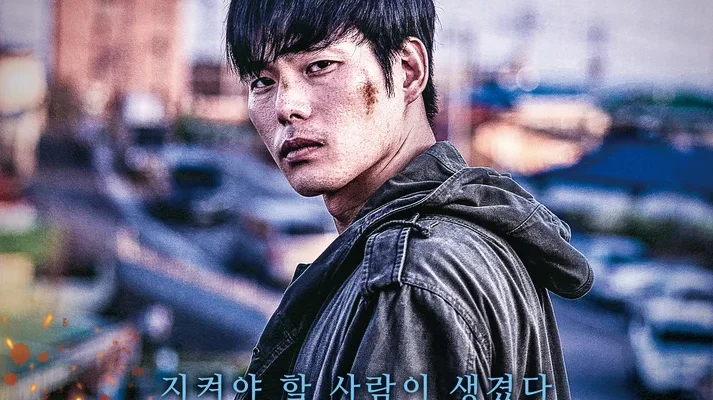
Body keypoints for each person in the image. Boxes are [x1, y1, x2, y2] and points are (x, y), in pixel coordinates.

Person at [225, 0, 592, 398]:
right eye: (262, 81)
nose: (286, 107)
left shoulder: (409, 276)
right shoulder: (439, 248)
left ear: (407, 71)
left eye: (320, 66)